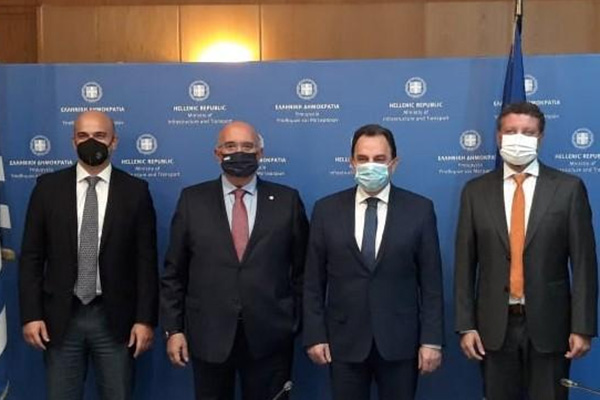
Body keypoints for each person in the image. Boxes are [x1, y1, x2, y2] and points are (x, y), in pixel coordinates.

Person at [454, 101, 598, 400]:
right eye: (511, 131)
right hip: (494, 327)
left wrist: (583, 327)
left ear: (540, 138)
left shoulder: (568, 189)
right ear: (498, 136)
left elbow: (584, 264)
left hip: (551, 326)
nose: (518, 138)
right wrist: (466, 325)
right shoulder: (475, 191)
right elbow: (464, 264)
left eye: (528, 132)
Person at [161, 121, 308, 400]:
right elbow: (174, 272)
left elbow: (303, 271)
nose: (239, 152)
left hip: (270, 337)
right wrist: (174, 329)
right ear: (217, 153)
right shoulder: (193, 200)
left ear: (260, 153)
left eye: (247, 146)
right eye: (230, 146)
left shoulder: (287, 201)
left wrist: (294, 322)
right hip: (209, 335)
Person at [19, 110, 158, 400]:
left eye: (99, 135)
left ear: (114, 142)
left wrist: (145, 320)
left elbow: (145, 262)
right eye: (83, 135)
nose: (90, 141)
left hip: (115, 319)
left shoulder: (135, 191)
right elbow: (32, 257)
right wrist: (31, 315)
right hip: (60, 318)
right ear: (73, 142)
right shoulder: (47, 188)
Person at [303, 124, 444, 400]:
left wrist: (432, 340)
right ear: (351, 163)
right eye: (363, 159)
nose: (370, 166)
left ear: (394, 163)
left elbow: (431, 284)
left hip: (400, 343)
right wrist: (315, 335)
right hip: (344, 342)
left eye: (379, 159)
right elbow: (312, 282)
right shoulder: (326, 210)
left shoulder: (419, 209)